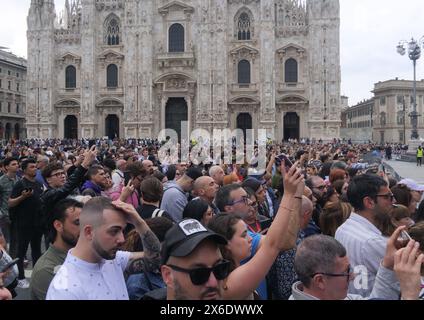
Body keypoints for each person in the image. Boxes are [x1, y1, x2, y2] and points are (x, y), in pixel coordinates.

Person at [207, 163, 304, 300]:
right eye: (244, 235)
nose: (250, 238)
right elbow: (277, 244)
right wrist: (290, 194)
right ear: (226, 243)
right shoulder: (228, 284)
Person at [46, 198, 161, 300]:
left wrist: (139, 222)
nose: (122, 239)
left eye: (122, 230)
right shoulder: (65, 290)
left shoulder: (113, 259)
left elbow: (154, 260)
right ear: (89, 232)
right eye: (114, 231)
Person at [291, 230, 423, 300]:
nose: (353, 276)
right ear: (320, 281)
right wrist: (410, 295)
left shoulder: (333, 296)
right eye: (346, 272)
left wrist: (388, 265)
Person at [335, 174, 394, 297]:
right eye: (387, 197)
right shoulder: (373, 241)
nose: (393, 201)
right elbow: (402, 280)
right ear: (369, 202)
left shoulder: (342, 228)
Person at [30, 199, 83, 300]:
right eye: (77, 223)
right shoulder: (46, 270)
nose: (85, 228)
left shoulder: (87, 256)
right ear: (58, 225)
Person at [9, 158, 44, 289]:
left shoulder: (39, 183)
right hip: (23, 223)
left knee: (36, 250)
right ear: (24, 170)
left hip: (37, 223)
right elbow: (10, 202)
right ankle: (21, 277)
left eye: (35, 166)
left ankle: (36, 274)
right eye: (32, 167)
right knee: (21, 251)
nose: (35, 168)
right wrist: (22, 197)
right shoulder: (20, 184)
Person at [0, 157, 20, 255]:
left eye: (17, 164)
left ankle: (14, 262)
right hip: (5, 215)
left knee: (16, 240)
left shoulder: (19, 180)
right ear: (7, 167)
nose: (17, 166)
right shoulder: (1, 181)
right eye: (13, 164)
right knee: (5, 242)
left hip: (17, 215)